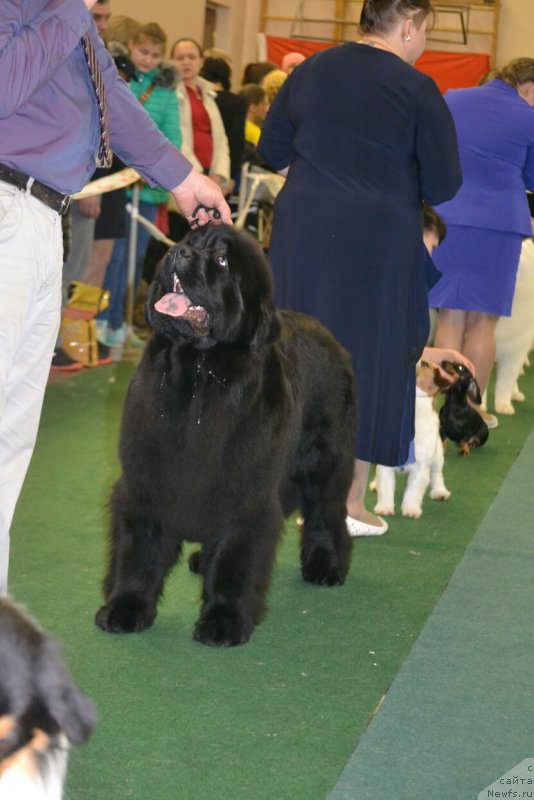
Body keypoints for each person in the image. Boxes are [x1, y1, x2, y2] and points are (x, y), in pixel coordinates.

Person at [0, 0, 231, 595]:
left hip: (39, 217)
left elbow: (110, 96)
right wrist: (67, 9)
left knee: (10, 438)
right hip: (7, 207)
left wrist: (181, 177)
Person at [258, 0, 462, 537]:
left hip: (304, 228)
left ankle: (284, 493)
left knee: (294, 351)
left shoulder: (309, 70)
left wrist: (320, 179)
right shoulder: (417, 89)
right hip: (379, 238)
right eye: (424, 33)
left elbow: (271, 147)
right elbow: (443, 184)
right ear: (410, 25)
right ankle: (347, 503)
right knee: (371, 357)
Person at [428, 58, 534, 430]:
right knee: (483, 323)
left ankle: (438, 412)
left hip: (448, 218)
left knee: (450, 315)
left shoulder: (453, 97)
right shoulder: (528, 116)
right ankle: (470, 413)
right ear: (529, 87)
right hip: (499, 224)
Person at [99, 21, 182, 348]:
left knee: (134, 259)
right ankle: (103, 319)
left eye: (154, 54)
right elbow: (112, 123)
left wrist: (145, 168)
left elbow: (173, 136)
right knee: (112, 256)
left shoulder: (166, 89)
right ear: (131, 47)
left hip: (148, 188)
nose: (147, 59)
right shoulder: (118, 77)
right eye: (142, 51)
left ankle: (120, 323)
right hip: (114, 185)